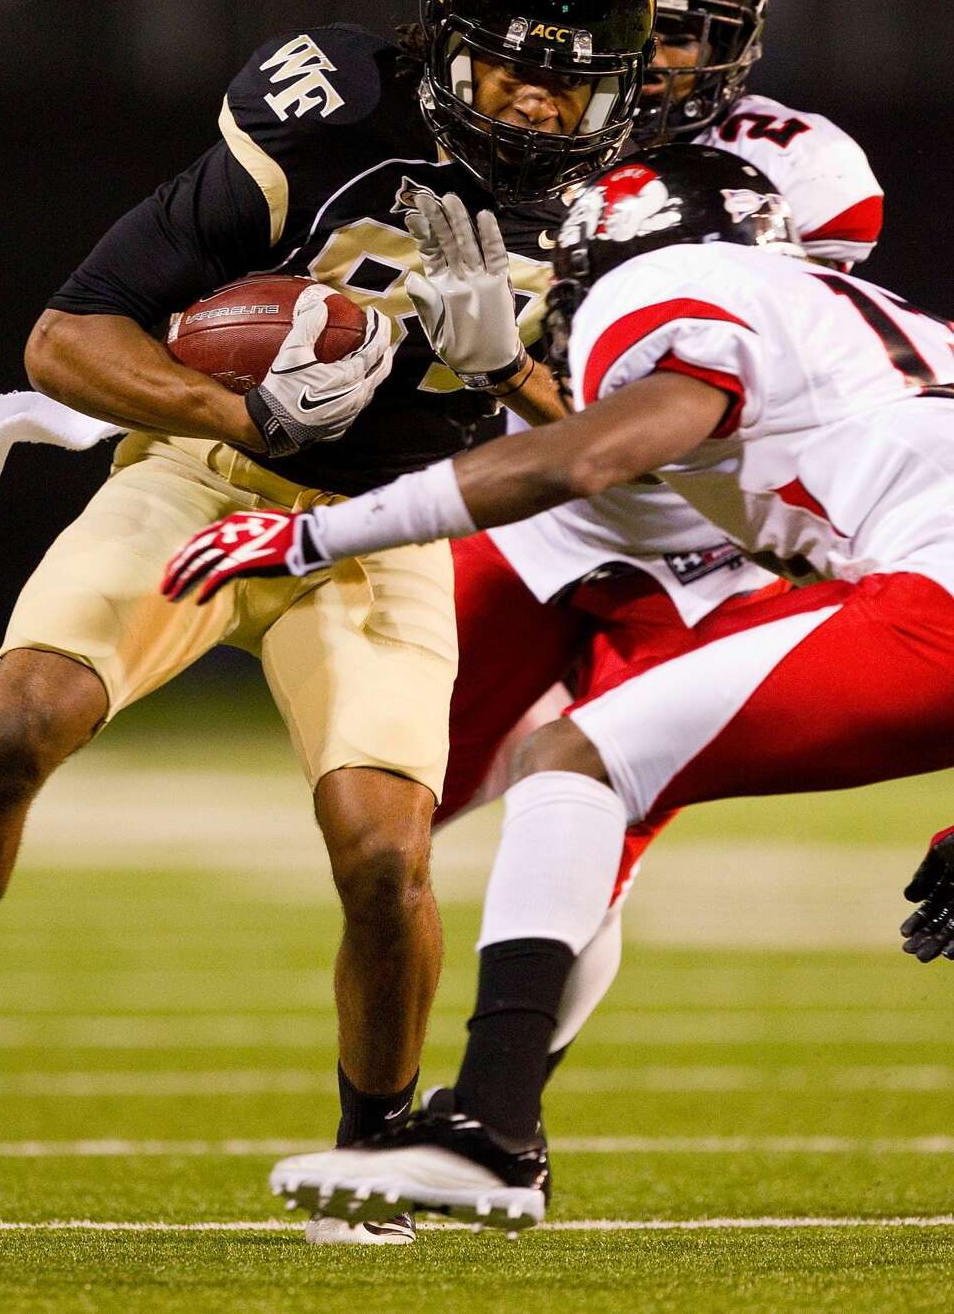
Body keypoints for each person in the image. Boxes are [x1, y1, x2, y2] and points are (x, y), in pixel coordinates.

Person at [0, 0, 655, 1246]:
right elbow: (68, 338)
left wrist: (509, 372)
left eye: (569, 85)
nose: (535, 109)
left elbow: (618, 460)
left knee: (379, 853)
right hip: (205, 485)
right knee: (18, 724)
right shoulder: (337, 109)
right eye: (514, 66)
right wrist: (247, 414)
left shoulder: (632, 213)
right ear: (447, 42)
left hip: (386, 530)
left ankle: (378, 1147)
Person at [162, 145, 954, 1231]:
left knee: (576, 760)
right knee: (583, 765)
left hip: (933, 603)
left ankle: (489, 1135)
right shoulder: (869, 321)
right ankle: (491, 1133)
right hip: (915, 588)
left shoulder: (674, 290)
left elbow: (581, 460)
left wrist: (311, 535)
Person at [437, 0, 885, 1087]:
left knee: (598, 822)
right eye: (653, 25)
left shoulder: (807, 172)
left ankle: (495, 1111)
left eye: (693, 32)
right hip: (539, 510)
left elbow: (756, 392)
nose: (669, 58)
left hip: (705, 539)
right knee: (384, 802)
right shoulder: (513, 114)